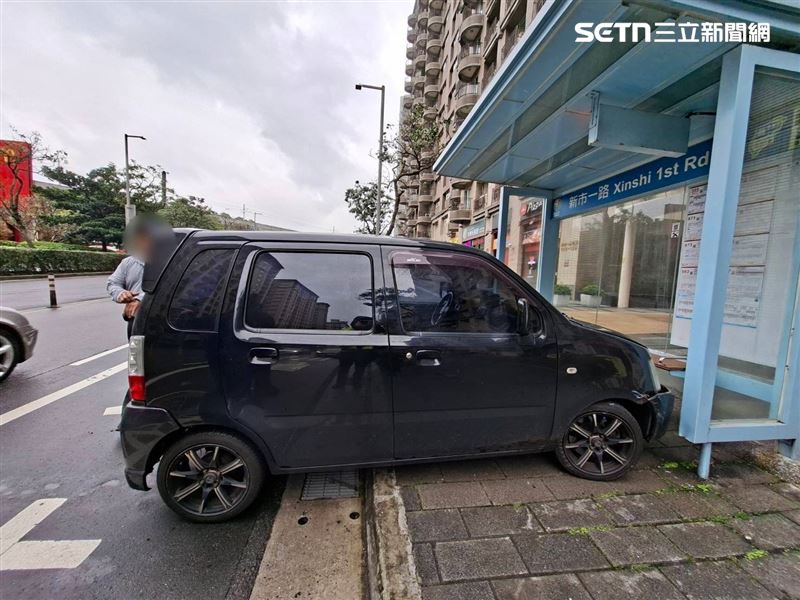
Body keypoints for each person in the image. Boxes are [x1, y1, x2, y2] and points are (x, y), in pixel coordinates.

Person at [107, 220, 151, 337]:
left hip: (161, 321)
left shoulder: (169, 262)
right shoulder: (128, 263)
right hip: (135, 320)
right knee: (136, 354)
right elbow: (113, 283)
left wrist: (141, 299)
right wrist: (120, 293)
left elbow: (169, 287)